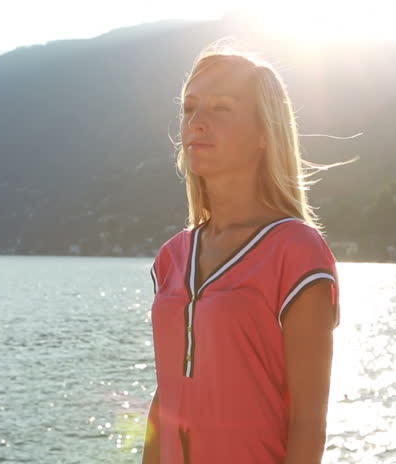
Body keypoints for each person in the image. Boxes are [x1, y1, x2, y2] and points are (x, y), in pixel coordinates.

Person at [142, 43, 342, 464]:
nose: (197, 122)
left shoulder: (297, 252)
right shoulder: (172, 257)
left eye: (221, 108)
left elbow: (309, 424)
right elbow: (166, 397)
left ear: (264, 133)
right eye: (190, 108)